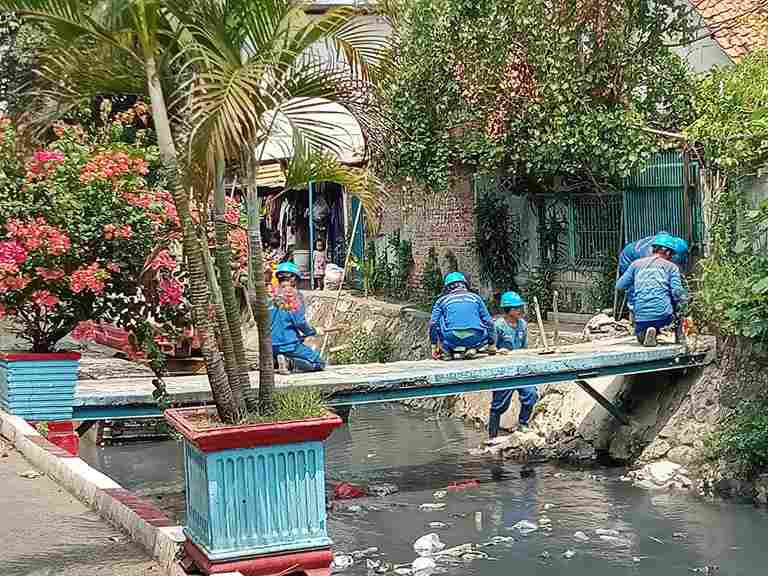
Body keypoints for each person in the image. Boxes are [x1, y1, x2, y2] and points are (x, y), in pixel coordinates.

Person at [615, 233, 687, 347]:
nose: (672, 257)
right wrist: (685, 302)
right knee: (678, 302)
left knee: (641, 334)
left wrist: (639, 283)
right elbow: (677, 292)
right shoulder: (672, 267)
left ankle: (646, 331)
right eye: (672, 254)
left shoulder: (636, 264)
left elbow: (619, 286)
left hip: (640, 317)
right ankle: (679, 337)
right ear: (668, 252)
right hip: (664, 317)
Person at [488, 291, 538, 437]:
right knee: (499, 405)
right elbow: (489, 349)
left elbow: (524, 347)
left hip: (521, 369)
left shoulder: (522, 325)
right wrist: (497, 351)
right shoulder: (498, 326)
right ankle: (492, 435)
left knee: (531, 394)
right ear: (507, 310)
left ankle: (523, 424)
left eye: (519, 308)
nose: (519, 311)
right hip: (504, 372)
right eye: (515, 308)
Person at [270, 261, 325, 373]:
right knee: (319, 363)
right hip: (288, 345)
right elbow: (300, 322)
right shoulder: (294, 297)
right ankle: (289, 362)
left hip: (270, 345)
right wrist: (313, 331)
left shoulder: (270, 297)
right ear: (295, 280)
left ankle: (276, 361)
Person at [429, 272, 496, 360]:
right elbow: (489, 322)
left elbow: (433, 323)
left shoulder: (441, 301)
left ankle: (445, 350)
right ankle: (473, 348)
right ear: (465, 285)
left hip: (451, 337)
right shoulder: (476, 298)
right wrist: (492, 344)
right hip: (475, 336)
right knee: (482, 322)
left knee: (440, 318)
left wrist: (434, 345)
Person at [618, 232, 688, 313]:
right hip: (628, 258)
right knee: (636, 286)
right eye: (672, 255)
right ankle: (635, 309)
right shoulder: (648, 256)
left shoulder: (668, 244)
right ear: (668, 251)